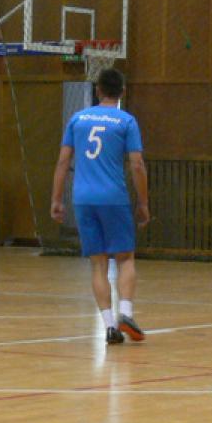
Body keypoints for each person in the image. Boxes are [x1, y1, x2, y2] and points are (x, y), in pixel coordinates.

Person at [50, 68, 149, 345]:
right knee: (125, 258)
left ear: (98, 91)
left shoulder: (77, 119)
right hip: (113, 197)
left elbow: (63, 161)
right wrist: (143, 202)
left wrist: (56, 199)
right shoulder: (126, 121)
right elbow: (137, 165)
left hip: (83, 198)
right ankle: (125, 313)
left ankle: (108, 327)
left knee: (98, 264)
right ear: (122, 91)